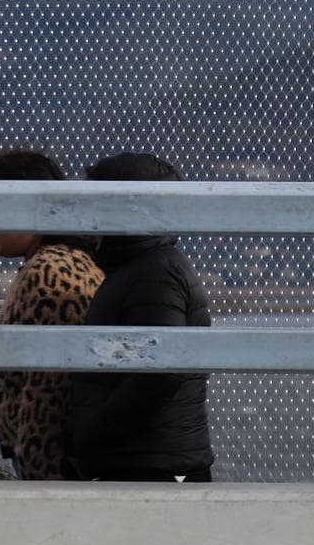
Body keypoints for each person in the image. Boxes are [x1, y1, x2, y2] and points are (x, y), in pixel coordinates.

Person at [65, 152, 214, 481]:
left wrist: (93, 433)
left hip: (152, 468)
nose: (90, 213)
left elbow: (161, 370)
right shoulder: (144, 267)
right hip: (152, 462)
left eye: (98, 202)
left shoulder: (153, 272)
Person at [0, 150, 106, 479]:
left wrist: (40, 481)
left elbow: (48, 393)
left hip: (51, 468)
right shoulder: (62, 261)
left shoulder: (51, 272)